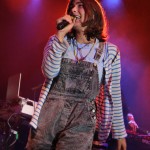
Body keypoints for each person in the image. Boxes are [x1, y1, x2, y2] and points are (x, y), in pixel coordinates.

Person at [26, 0, 127, 149]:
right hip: (47, 118)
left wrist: (119, 133)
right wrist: (59, 35)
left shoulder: (109, 51)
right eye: (71, 6)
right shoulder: (57, 41)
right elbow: (49, 72)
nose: (73, 10)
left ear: (93, 11)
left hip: (82, 122)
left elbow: (115, 93)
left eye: (80, 5)